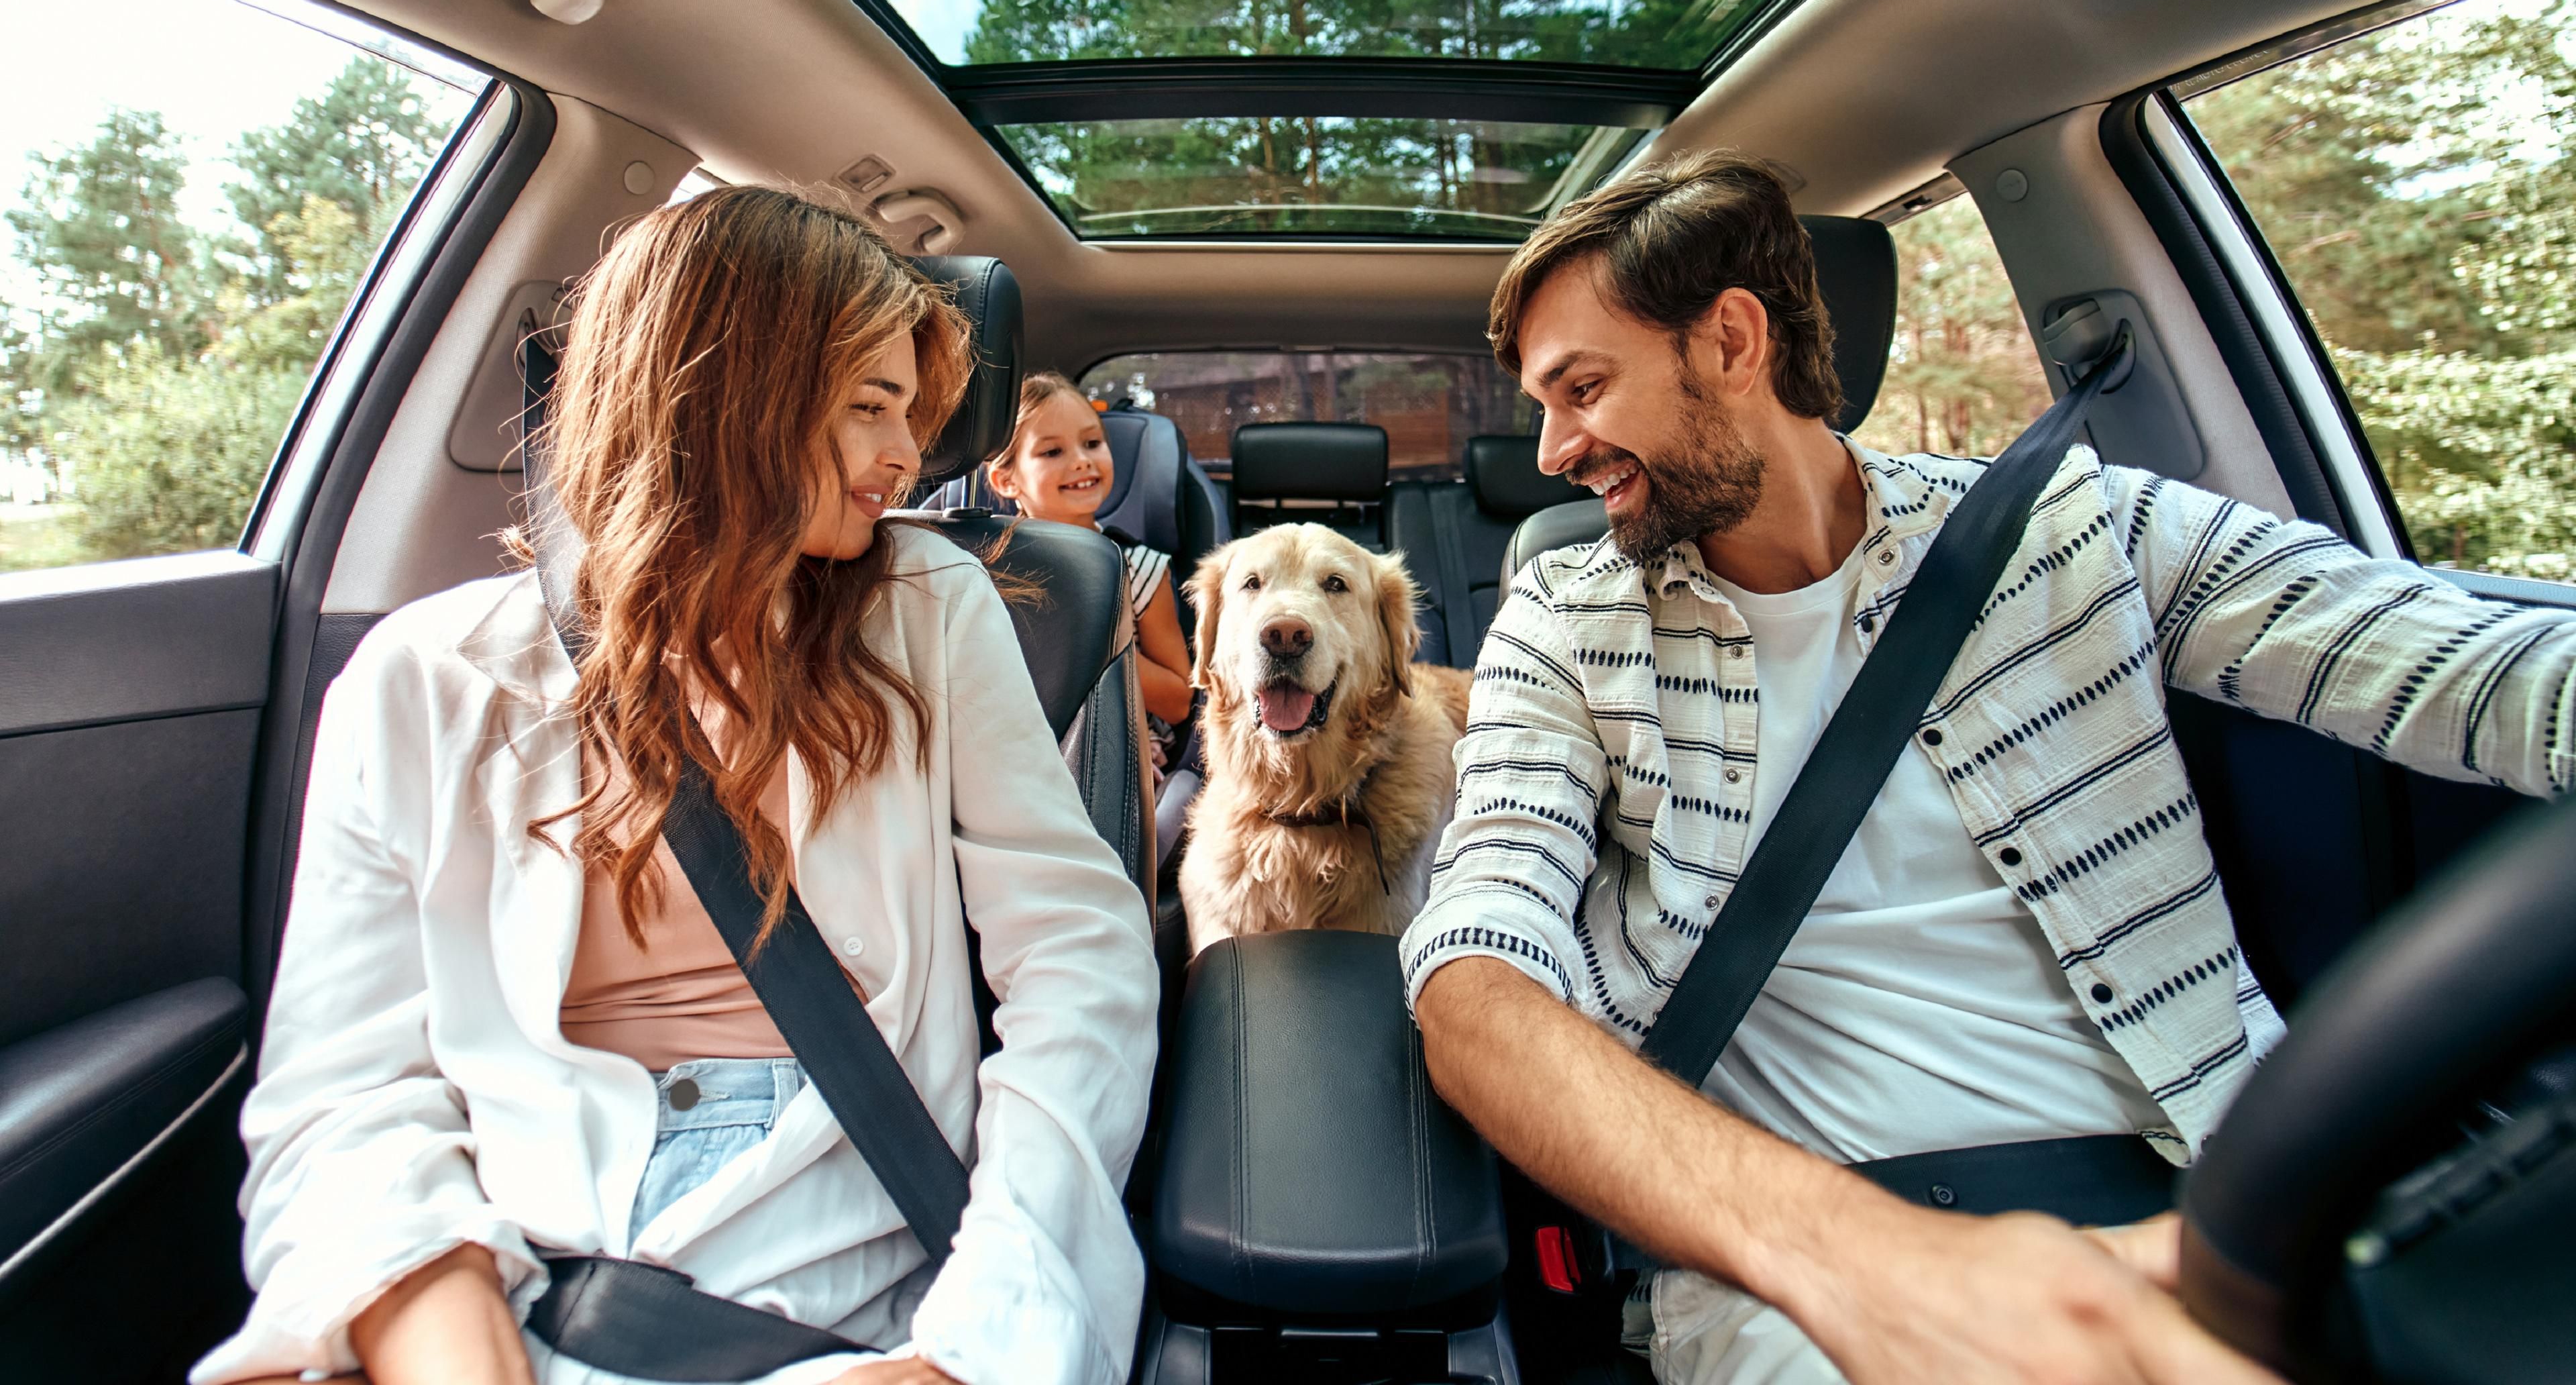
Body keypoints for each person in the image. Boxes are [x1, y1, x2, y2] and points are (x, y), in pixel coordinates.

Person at [1399, 148, 2576, 1385]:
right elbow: (1477, 976)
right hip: (1810, 1259)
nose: (1551, 449)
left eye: (1582, 389)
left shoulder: (2079, 526)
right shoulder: (1564, 621)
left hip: (2212, 1203)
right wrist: (1876, 1266)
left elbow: (2474, 668)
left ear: (1733, 343)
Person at [195, 187, 1159, 1385]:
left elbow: (1076, 955)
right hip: (518, 1264)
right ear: (722, 392)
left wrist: (985, 1337)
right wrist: (446, 1331)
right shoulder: (422, 678)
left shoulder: (929, 610)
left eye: (910, 414)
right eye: (870, 407)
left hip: (850, 1283)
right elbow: (343, 1093)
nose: (907, 457)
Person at [983, 372, 1195, 754]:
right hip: (1011, 748)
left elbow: (1179, 703)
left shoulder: (1140, 569)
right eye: (1053, 452)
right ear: (1006, 480)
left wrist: (1092, 643)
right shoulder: (987, 571)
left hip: (1114, 751)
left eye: (1092, 443)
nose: (1082, 461)